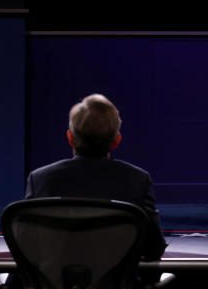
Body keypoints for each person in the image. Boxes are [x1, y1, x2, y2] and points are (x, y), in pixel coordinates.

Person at [24, 94, 167, 261]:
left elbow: (28, 246)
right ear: (116, 141)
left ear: (70, 138)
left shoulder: (40, 179)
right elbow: (153, 248)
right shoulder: (138, 180)